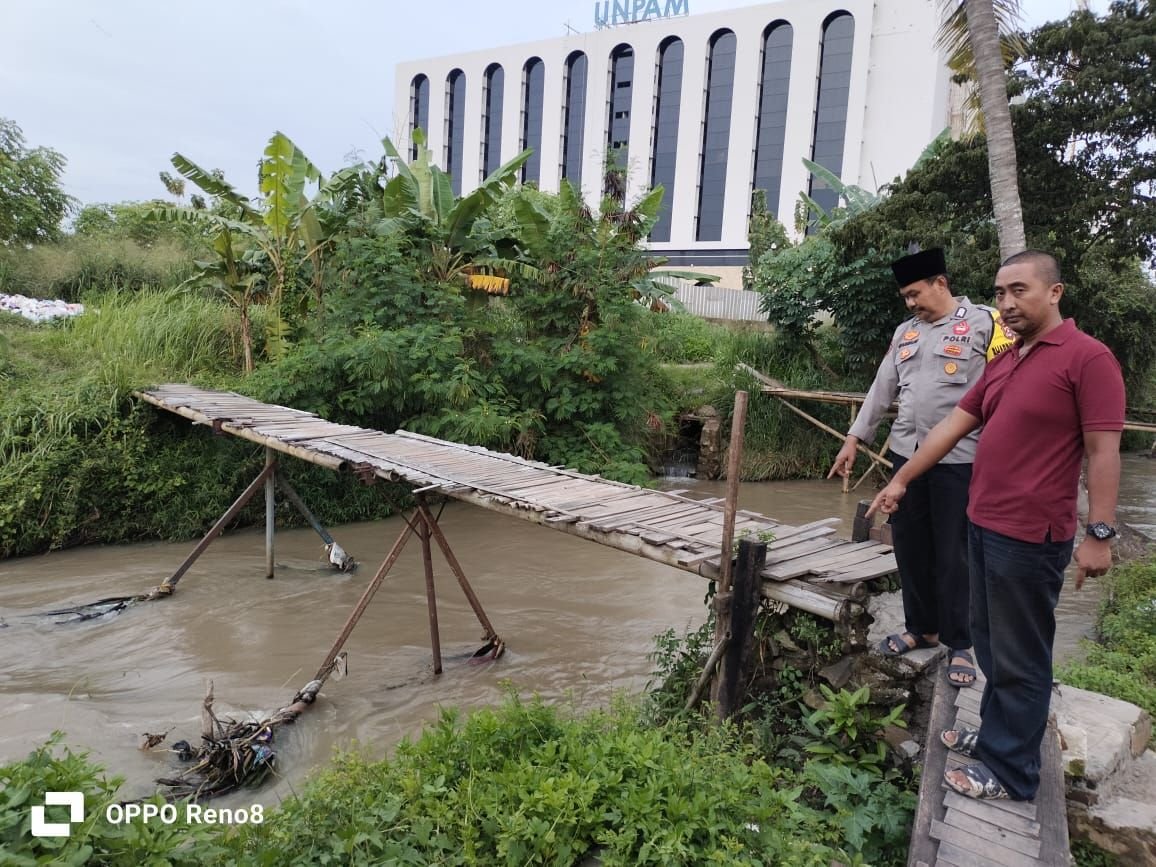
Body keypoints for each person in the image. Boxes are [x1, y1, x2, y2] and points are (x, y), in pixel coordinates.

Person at [867, 250, 1125, 802]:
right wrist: (901, 480)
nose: (1007, 303)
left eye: (1020, 291)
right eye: (1001, 292)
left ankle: (1011, 771)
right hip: (983, 524)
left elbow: (1105, 453)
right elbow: (950, 427)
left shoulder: (1088, 358)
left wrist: (1099, 534)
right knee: (989, 644)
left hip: (1032, 536)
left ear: (1054, 293)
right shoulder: (1007, 362)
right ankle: (997, 737)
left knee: (1022, 655)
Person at [829, 247, 1013, 686]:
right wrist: (854, 438)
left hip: (961, 459)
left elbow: (1008, 389)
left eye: (915, 294)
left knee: (956, 554)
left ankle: (961, 643)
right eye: (905, 297)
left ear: (941, 284)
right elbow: (881, 388)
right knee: (910, 547)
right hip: (904, 457)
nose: (910, 303)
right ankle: (921, 629)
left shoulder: (986, 324)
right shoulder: (905, 333)